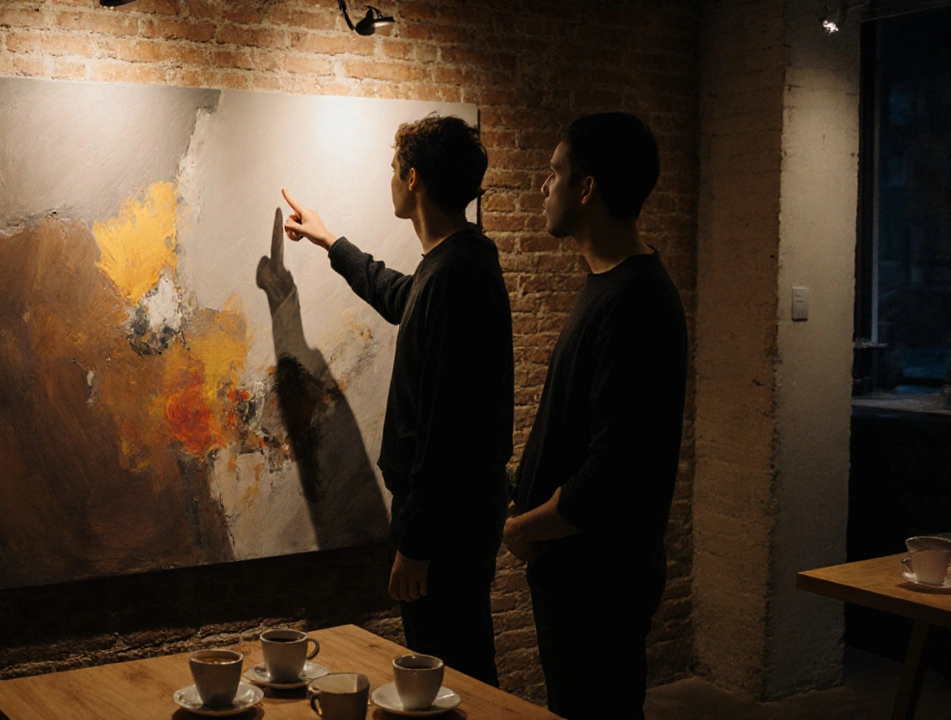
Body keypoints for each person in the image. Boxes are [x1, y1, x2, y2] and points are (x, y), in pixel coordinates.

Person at [281, 115, 514, 686]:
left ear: (412, 179)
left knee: (451, 678)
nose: (389, 178)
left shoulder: (457, 276)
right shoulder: (455, 265)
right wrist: (330, 240)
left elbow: (446, 432)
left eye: (392, 169)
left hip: (445, 533)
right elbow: (397, 294)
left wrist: (415, 543)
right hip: (453, 524)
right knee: (449, 669)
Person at [502, 112, 688, 720]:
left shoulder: (637, 303)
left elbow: (616, 471)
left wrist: (526, 527)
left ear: (587, 189)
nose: (542, 187)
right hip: (576, 577)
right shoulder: (608, 286)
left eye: (554, 173)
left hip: (600, 583)